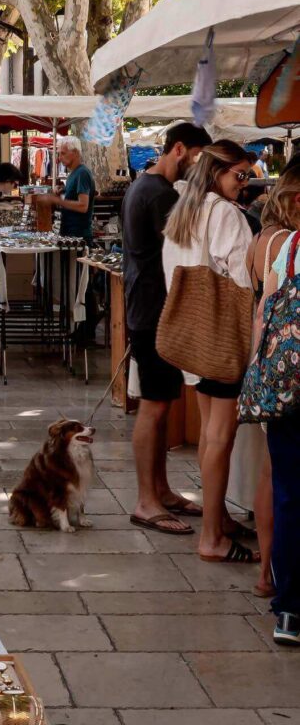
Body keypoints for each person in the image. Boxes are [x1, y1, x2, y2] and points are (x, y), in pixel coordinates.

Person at [162, 140, 257, 564]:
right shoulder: (226, 215)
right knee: (221, 436)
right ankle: (212, 538)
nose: (245, 184)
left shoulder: (185, 209)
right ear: (218, 172)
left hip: (194, 335)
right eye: (240, 175)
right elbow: (241, 280)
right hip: (224, 336)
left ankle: (217, 520)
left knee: (208, 435)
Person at [122, 122, 212, 536]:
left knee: (160, 405)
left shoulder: (146, 187)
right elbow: (181, 251)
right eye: (198, 157)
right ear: (180, 149)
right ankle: (146, 500)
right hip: (153, 311)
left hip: (150, 308)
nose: (200, 168)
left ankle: (160, 490)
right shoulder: (158, 194)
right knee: (154, 406)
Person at [242, 165, 300, 599]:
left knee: (283, 487)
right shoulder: (286, 244)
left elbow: (263, 312)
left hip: (282, 382)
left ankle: (282, 594)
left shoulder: (284, 247)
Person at [255, 224, 300, 644]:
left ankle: (290, 608)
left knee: (290, 496)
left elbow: (265, 312)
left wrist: (259, 380)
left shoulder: (290, 245)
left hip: (288, 391)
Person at [37, 137, 95, 243]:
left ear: (75, 153)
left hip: (78, 236)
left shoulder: (82, 173)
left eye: (63, 153)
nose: (59, 158)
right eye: (59, 154)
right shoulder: (73, 173)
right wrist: (63, 190)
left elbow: (83, 206)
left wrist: (58, 201)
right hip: (70, 234)